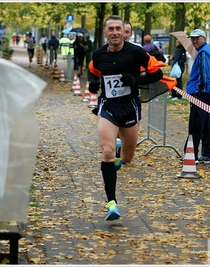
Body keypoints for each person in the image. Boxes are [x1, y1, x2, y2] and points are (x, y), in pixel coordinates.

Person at [88, 15, 164, 221]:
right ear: (105, 33)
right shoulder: (99, 54)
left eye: (118, 29)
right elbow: (93, 71)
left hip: (129, 107)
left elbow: (156, 74)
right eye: (110, 29)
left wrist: (136, 81)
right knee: (106, 152)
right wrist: (92, 83)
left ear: (124, 32)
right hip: (108, 106)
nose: (114, 32)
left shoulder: (136, 52)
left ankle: (121, 151)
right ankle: (111, 203)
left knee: (128, 158)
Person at [183, 29, 210, 164]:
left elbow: (204, 76)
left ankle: (192, 154)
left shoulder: (204, 53)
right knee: (204, 123)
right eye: (192, 39)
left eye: (197, 38)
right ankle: (207, 154)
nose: (194, 41)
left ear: (204, 38)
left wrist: (197, 92)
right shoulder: (207, 50)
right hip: (207, 92)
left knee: (196, 124)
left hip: (202, 93)